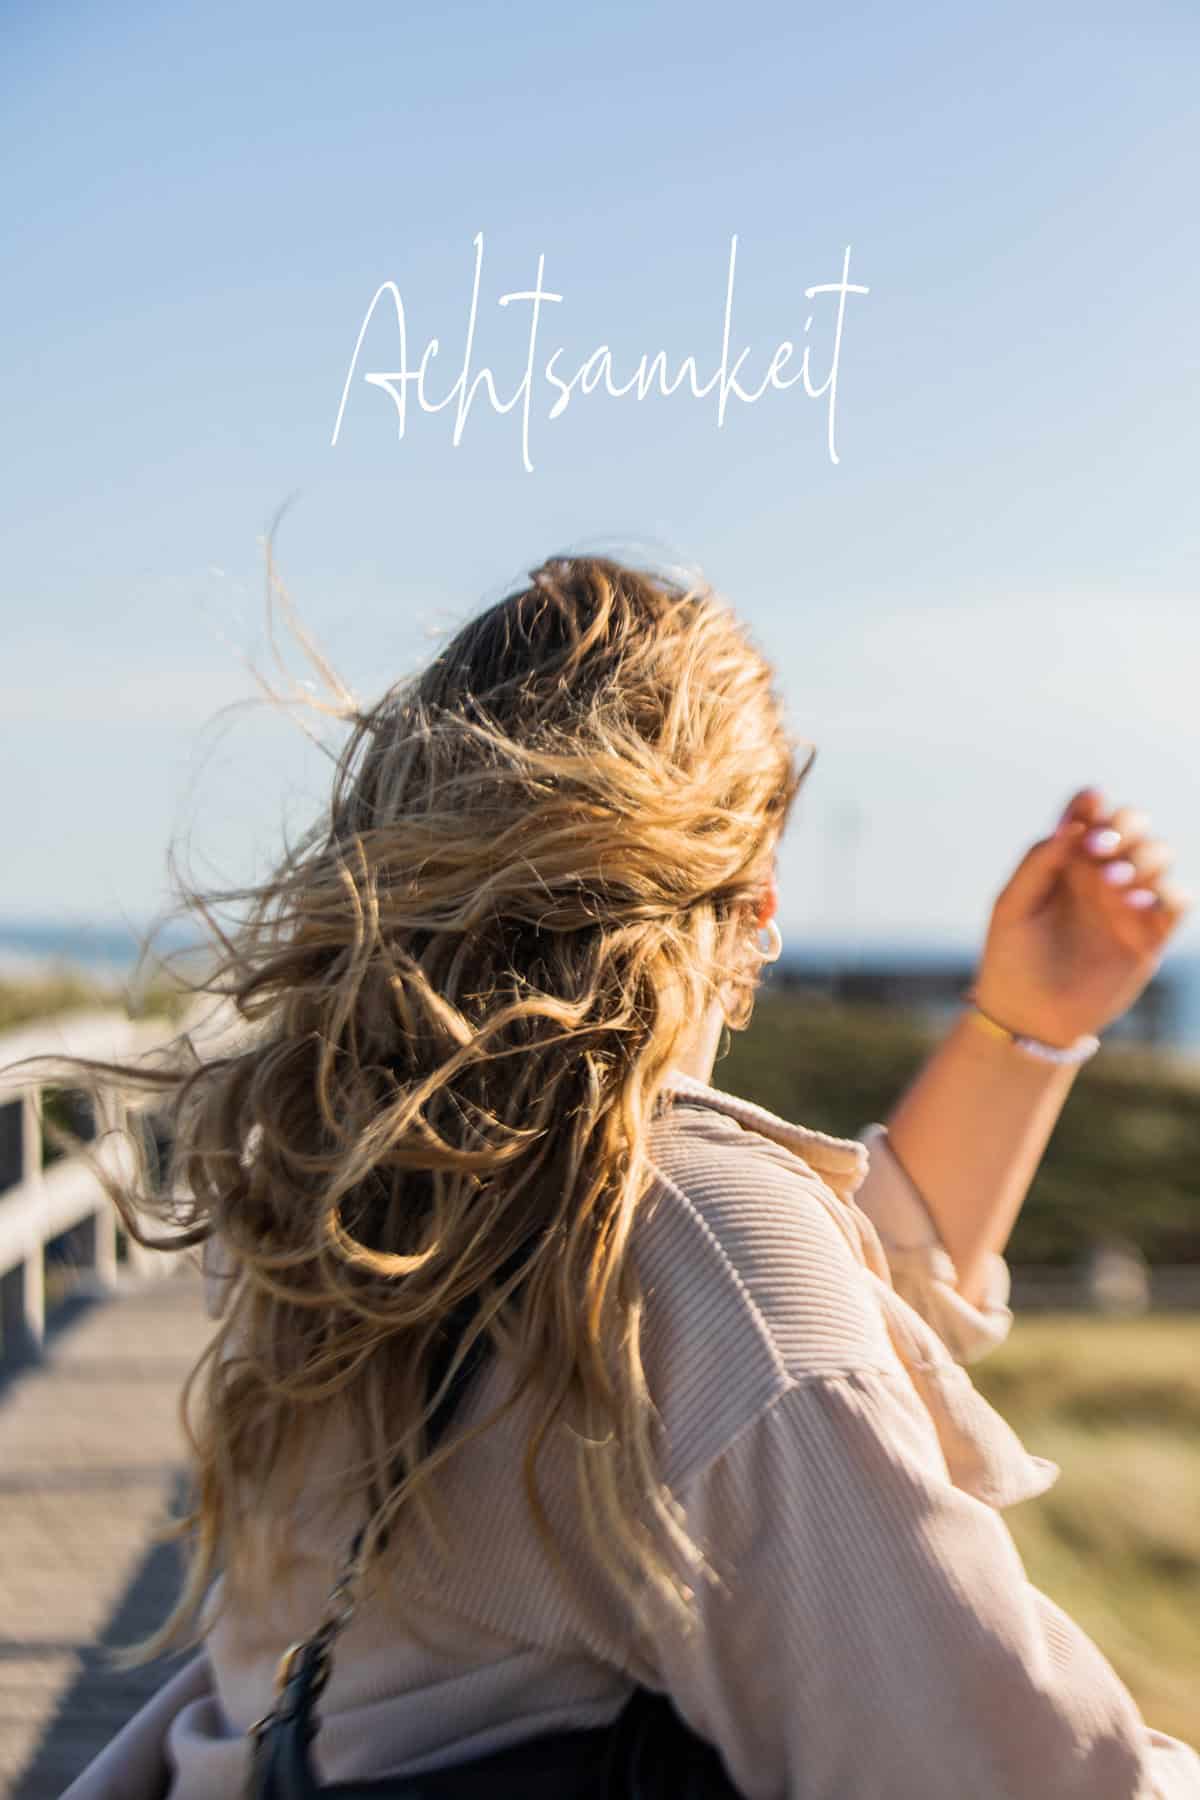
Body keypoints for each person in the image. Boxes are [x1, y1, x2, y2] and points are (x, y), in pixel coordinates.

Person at [61, 554, 1199, 1798]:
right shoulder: (703, 1250)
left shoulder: (357, 1172)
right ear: (756, 901)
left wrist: (1022, 1032)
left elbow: (778, 1370)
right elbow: (994, 1770)